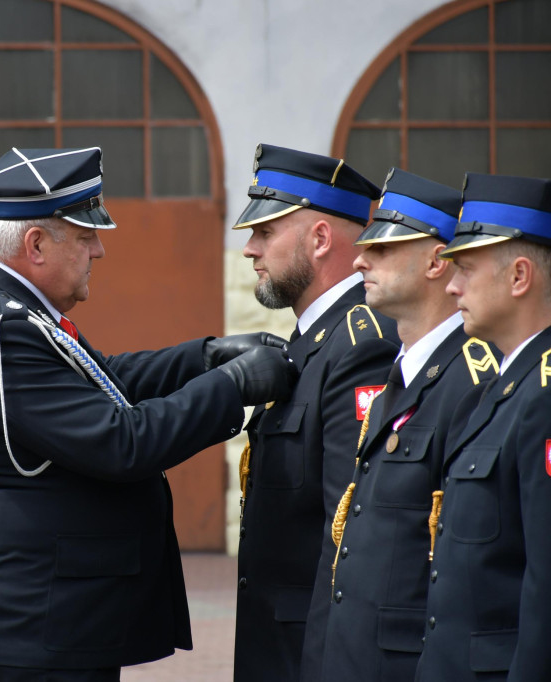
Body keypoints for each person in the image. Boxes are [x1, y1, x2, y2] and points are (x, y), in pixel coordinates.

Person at [0, 146, 298, 681]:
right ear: (35, 245)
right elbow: (122, 444)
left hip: (33, 620)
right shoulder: (1, 330)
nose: (98, 250)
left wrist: (204, 356)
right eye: (84, 236)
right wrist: (230, 385)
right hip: (24, 626)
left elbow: (101, 375)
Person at [319, 169, 500, 682]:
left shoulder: (470, 382)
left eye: (381, 249)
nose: (358, 260)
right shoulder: (400, 373)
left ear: (436, 261)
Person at [232, 144, 401, 682]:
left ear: (321, 238)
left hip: (311, 652)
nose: (250, 250)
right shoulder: (313, 341)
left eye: (265, 233)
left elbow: (348, 534)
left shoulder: (359, 345)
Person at [415, 173, 551, 681]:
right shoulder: (499, 388)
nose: (451, 286)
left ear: (519, 277)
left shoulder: (543, 396)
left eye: (466, 269)